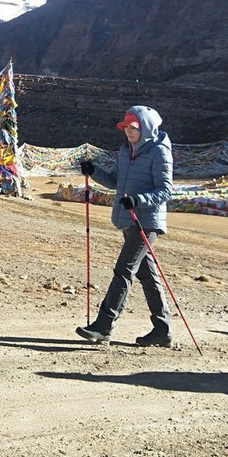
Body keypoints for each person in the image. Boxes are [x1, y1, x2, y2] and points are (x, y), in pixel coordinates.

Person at [76, 105, 174, 347]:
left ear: (146, 128)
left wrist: (139, 200)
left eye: (134, 128)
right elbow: (114, 181)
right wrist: (94, 171)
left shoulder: (159, 152)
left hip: (146, 224)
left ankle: (103, 326)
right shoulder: (125, 151)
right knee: (147, 276)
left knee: (123, 271)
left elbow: (165, 190)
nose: (128, 132)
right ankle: (163, 330)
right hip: (128, 221)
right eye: (126, 127)